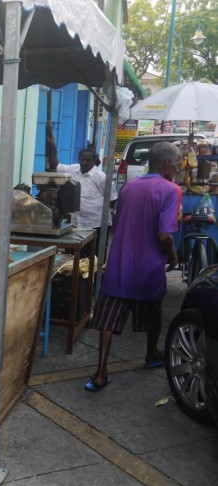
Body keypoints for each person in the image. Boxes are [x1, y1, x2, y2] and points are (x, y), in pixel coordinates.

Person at [85, 142, 182, 392]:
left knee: (108, 319)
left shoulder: (129, 186)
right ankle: (151, 354)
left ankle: (100, 372)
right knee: (153, 311)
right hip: (148, 266)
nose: (179, 167)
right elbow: (164, 235)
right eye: (178, 163)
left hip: (119, 262)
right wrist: (173, 256)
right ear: (168, 164)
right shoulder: (171, 190)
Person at [48, 138, 118, 250]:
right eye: (82, 160)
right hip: (76, 224)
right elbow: (56, 166)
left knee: (93, 259)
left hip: (96, 225)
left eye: (88, 160)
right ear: (79, 159)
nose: (84, 163)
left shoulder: (101, 178)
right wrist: (53, 148)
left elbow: (112, 200)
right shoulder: (73, 170)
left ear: (94, 160)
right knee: (73, 256)